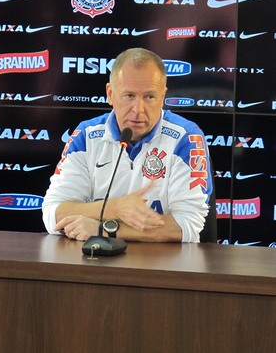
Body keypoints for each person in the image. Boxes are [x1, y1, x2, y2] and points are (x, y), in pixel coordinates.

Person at [42, 48, 213, 243]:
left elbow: (187, 225)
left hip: (161, 266)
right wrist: (114, 208)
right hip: (94, 266)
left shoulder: (185, 137)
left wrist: (104, 229)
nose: (138, 109)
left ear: (163, 96)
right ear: (110, 94)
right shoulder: (86, 136)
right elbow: (53, 212)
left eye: (149, 97)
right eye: (129, 96)